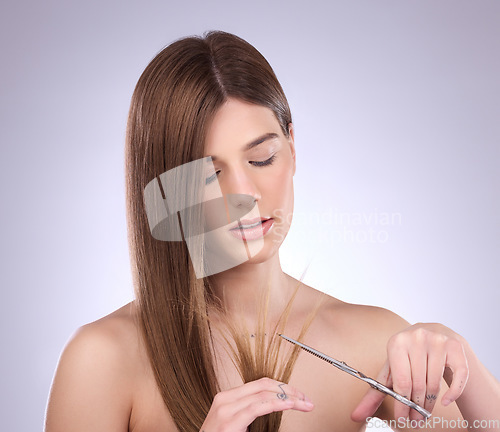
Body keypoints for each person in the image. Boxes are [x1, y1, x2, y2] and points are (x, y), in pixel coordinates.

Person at [44, 30, 500, 432]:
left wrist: (464, 364)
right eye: (207, 175)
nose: (244, 194)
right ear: (165, 192)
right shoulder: (100, 361)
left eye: (262, 158)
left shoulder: (372, 342)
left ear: (293, 148)